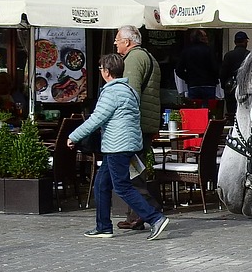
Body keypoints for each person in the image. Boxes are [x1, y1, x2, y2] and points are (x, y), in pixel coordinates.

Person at [67, 53, 170, 240]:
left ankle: (155, 218)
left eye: (100, 69)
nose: (100, 72)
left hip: (117, 146)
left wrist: (74, 136)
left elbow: (97, 119)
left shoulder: (111, 92)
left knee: (122, 187)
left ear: (106, 72)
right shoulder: (129, 90)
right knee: (100, 184)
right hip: (126, 144)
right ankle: (103, 226)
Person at [115, 26, 163, 231]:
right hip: (146, 121)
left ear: (127, 41)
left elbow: (130, 92)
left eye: (117, 39)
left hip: (136, 124)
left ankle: (148, 211)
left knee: (132, 171)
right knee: (136, 168)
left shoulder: (134, 60)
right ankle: (137, 214)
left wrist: (123, 122)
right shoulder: (149, 57)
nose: (115, 43)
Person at [175, 30, 220, 100]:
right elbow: (215, 67)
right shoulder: (209, 50)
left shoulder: (186, 51)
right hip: (208, 84)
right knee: (209, 109)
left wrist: (188, 78)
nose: (207, 38)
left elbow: (178, 70)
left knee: (195, 108)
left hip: (193, 84)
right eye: (205, 36)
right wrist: (214, 78)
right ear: (201, 38)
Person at [220, 31, 251, 105]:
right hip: (246, 86)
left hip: (231, 86)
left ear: (235, 42)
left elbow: (223, 72)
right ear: (245, 41)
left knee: (231, 111)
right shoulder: (250, 55)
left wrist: (224, 85)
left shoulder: (228, 55)